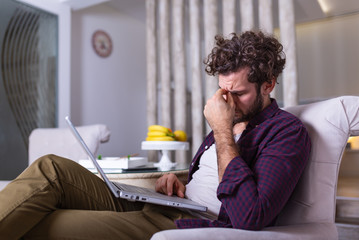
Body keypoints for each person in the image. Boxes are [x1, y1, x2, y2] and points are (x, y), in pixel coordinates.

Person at [0, 31, 311, 240]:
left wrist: (221, 129)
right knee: (50, 167)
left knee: (49, 222)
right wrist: (181, 184)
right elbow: (209, 181)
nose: (225, 101)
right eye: (222, 90)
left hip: (183, 223)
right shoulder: (233, 115)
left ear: (268, 84)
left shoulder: (286, 132)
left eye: (238, 93)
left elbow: (249, 215)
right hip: (171, 204)